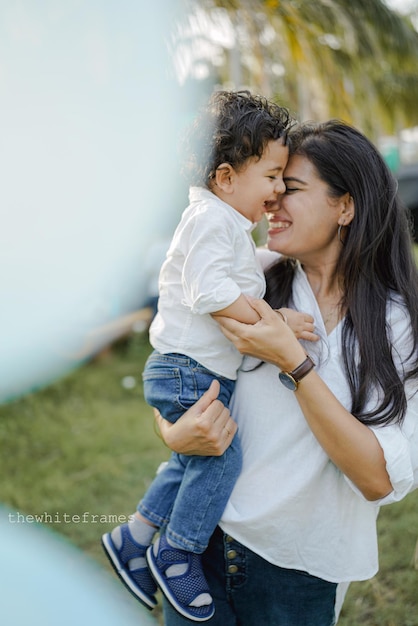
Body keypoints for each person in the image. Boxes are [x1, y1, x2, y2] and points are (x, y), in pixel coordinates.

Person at [154, 119, 418, 626]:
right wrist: (173, 430)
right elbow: (174, 376)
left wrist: (294, 364)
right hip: (199, 545)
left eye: (290, 187)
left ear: (346, 206)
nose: (271, 200)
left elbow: (377, 478)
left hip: (298, 569)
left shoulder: (396, 325)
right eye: (272, 183)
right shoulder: (248, 279)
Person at [101, 91, 316, 622]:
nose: (276, 190)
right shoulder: (209, 222)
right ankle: (176, 551)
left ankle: (134, 539)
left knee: (190, 459)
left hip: (190, 368)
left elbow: (232, 273)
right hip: (186, 369)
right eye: (270, 176)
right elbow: (210, 292)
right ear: (225, 177)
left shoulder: (225, 225)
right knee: (222, 459)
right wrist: (273, 320)